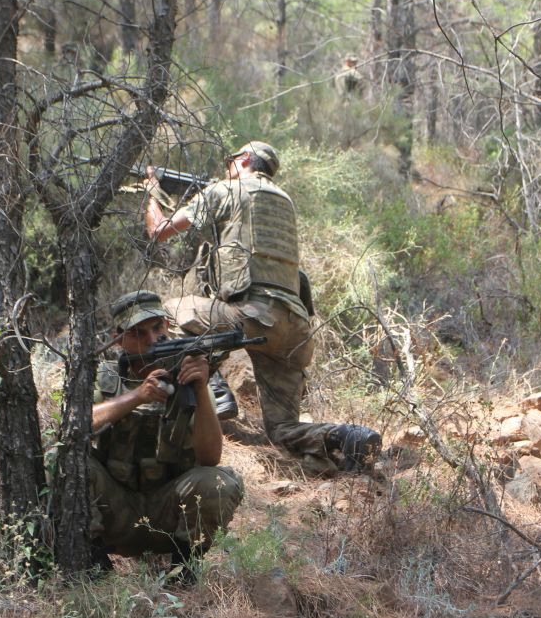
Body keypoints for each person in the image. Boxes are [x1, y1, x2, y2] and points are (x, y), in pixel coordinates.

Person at [144, 141, 381, 475]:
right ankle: (346, 437)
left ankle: (214, 391)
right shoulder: (284, 201)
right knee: (282, 429)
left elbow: (159, 231)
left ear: (244, 160)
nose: (226, 168)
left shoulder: (228, 189)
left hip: (254, 317)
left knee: (171, 311)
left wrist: (151, 192)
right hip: (296, 329)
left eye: (230, 162)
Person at [89, 290, 244, 577]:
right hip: (116, 511)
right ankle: (95, 570)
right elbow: (77, 427)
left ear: (168, 326)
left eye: (157, 328)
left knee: (218, 482)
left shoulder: (189, 378)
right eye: (138, 333)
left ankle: (184, 571)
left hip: (167, 512)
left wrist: (200, 388)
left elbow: (210, 458)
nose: (151, 339)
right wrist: (137, 396)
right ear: (118, 338)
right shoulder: (104, 377)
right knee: (63, 461)